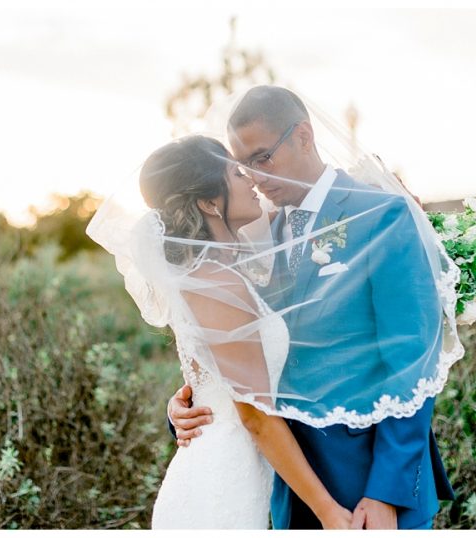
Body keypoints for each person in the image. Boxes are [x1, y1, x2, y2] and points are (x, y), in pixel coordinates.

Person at [168, 86, 456, 529]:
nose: (255, 177)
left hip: (370, 494)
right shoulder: (254, 237)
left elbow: (412, 361)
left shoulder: (381, 215)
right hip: (291, 493)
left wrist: (386, 493)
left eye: (263, 158)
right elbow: (237, 351)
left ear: (304, 136)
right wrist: (191, 404)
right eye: (243, 166)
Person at [89, 135, 352, 529]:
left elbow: (216, 378)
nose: (250, 178)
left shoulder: (227, 272)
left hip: (243, 473)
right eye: (235, 171)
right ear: (210, 203)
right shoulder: (215, 282)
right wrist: (332, 515)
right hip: (222, 489)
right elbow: (255, 417)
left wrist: (181, 403)